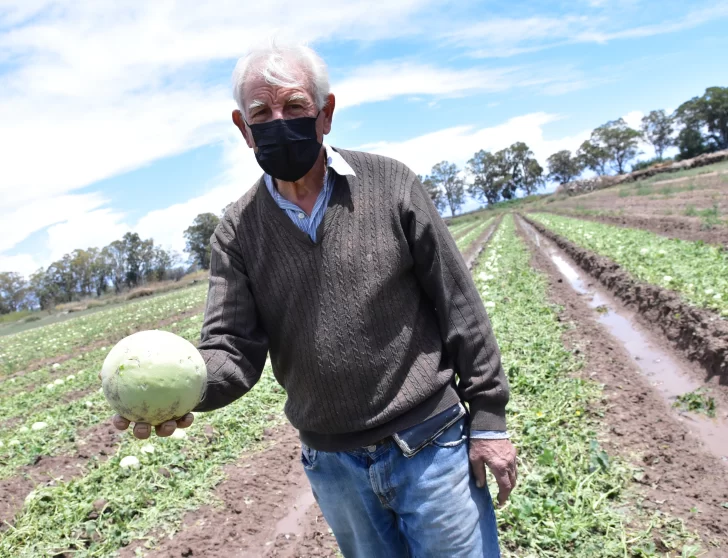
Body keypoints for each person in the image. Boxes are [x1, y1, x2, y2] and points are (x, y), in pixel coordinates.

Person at [112, 41, 517, 557]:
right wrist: (183, 391)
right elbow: (231, 348)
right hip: (336, 467)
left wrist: (488, 420)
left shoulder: (390, 184)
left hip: (430, 441)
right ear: (243, 128)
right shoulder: (238, 232)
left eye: (295, 107)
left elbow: (460, 306)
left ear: (325, 113)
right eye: (262, 113)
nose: (278, 121)